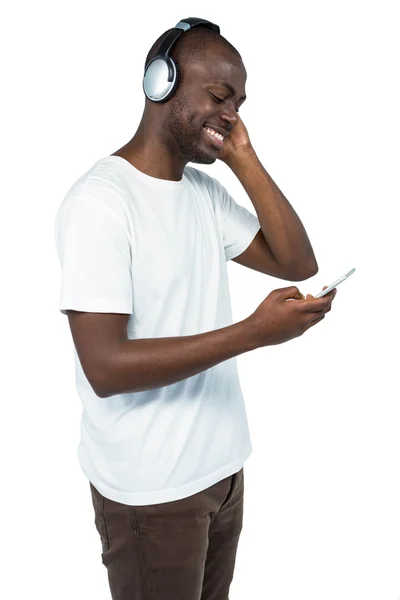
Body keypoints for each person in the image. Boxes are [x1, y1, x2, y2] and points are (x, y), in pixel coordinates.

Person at [54, 17, 337, 600]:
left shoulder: (202, 193)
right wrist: (253, 334)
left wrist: (243, 159)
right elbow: (105, 367)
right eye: (217, 96)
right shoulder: (101, 203)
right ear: (160, 84)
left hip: (222, 474)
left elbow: (296, 261)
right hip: (153, 494)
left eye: (239, 101)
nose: (231, 114)